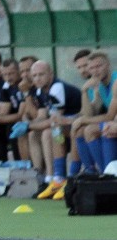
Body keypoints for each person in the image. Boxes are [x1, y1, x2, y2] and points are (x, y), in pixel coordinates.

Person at [26, 60, 82, 199]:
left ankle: (69, 178)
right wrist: (29, 123)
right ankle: (54, 179)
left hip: (77, 123)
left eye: (41, 74)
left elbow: (56, 119)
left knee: (52, 130)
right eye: (35, 75)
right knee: (44, 132)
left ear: (50, 74)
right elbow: (42, 116)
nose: (37, 78)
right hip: (65, 124)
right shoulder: (39, 91)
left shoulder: (57, 88)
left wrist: (28, 126)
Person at [72, 51, 117, 174]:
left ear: (107, 65)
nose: (95, 71)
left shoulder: (115, 82)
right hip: (113, 124)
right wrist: (84, 91)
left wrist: (82, 120)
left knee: (92, 129)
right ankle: (92, 172)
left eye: (99, 66)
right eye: (91, 68)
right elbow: (90, 114)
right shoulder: (99, 86)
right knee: (81, 130)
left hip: (113, 124)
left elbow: (109, 116)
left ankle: (107, 175)